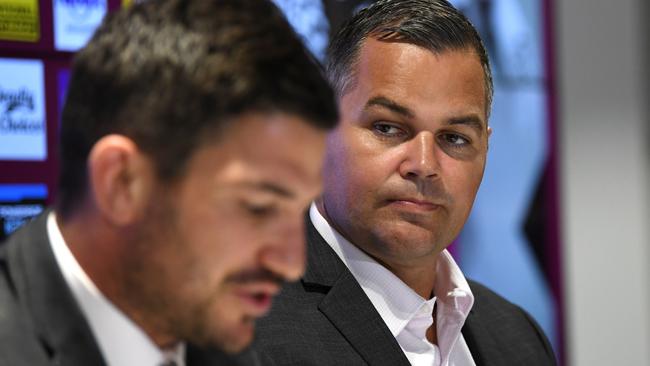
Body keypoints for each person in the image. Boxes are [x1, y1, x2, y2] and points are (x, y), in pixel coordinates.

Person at [0, 0, 338, 365]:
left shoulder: (227, 345)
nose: (292, 263)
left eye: (300, 207)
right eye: (258, 208)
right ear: (122, 183)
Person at [254, 0, 556, 365]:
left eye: (454, 138)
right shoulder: (243, 330)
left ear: (485, 150)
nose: (424, 165)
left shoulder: (518, 338)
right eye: (388, 128)